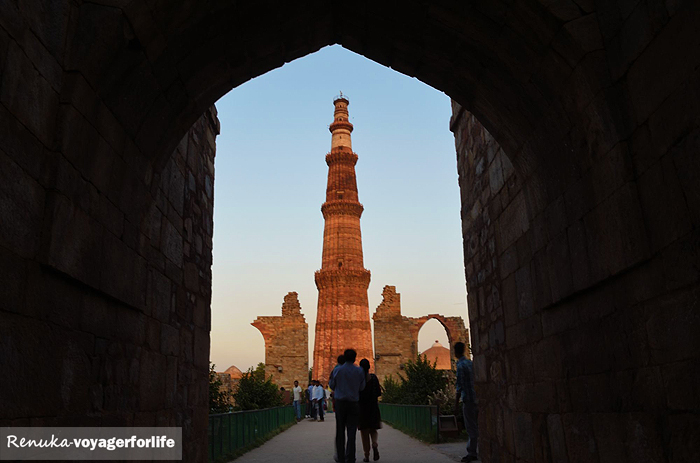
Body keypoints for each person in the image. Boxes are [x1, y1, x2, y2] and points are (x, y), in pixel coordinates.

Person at [329, 349, 366, 463]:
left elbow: (332, 385)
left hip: (340, 403)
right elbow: (362, 387)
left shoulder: (338, 370)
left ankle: (340, 457)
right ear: (355, 358)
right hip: (353, 403)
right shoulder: (359, 371)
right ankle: (350, 457)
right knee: (351, 431)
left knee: (340, 430)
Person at [454, 342, 478, 462]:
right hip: (477, 398)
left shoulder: (460, 366)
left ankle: (472, 452)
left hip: (468, 399)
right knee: (478, 424)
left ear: (456, 352)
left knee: (471, 426)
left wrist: (456, 404)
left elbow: (459, 386)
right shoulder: (470, 363)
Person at [358, 358, 381, 462]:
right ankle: (375, 444)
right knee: (373, 429)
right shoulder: (374, 377)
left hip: (362, 408)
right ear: (369, 367)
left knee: (364, 433)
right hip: (373, 407)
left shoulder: (358, 379)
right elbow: (379, 393)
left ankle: (367, 455)